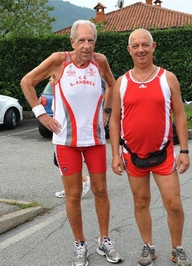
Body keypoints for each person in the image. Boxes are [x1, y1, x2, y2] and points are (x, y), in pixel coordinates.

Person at [20, 20, 123, 266]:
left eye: (91, 40)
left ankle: (104, 239)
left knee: (100, 191)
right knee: (73, 194)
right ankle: (79, 243)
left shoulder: (101, 61)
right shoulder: (58, 60)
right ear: (72, 41)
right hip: (66, 141)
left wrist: (107, 109)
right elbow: (27, 81)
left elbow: (112, 83)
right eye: (81, 40)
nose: (86, 46)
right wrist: (41, 114)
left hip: (95, 138)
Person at [110, 28, 191, 266]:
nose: (141, 50)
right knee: (141, 202)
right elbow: (114, 120)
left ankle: (177, 248)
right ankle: (148, 246)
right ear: (129, 50)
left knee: (174, 204)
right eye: (135, 46)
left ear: (153, 47)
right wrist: (115, 154)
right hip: (133, 155)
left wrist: (184, 151)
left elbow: (180, 115)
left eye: (145, 45)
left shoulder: (168, 78)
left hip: (163, 153)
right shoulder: (121, 82)